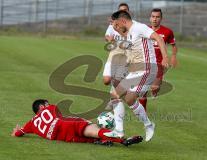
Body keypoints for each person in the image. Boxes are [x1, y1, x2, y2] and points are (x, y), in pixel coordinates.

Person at [103, 10, 169, 142]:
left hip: (147, 68)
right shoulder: (128, 33)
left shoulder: (140, 28)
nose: (115, 28)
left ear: (122, 21)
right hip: (135, 70)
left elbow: (159, 38)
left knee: (130, 98)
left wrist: (165, 57)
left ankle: (148, 125)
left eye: (116, 25)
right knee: (115, 95)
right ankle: (119, 131)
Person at [11, 99, 143, 147]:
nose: (48, 103)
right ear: (41, 107)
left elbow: (18, 133)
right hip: (68, 125)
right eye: (46, 103)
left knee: (90, 139)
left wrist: (17, 131)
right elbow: (59, 116)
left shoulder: (31, 124)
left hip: (65, 138)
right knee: (95, 131)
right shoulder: (50, 107)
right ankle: (123, 140)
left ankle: (101, 142)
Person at [138, 8, 178, 111]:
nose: (155, 19)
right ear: (150, 18)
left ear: (161, 18)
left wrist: (173, 56)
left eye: (157, 17)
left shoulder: (167, 32)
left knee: (154, 87)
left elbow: (173, 45)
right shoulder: (144, 29)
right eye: (153, 17)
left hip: (159, 64)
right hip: (145, 62)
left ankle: (155, 90)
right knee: (143, 90)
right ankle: (143, 113)